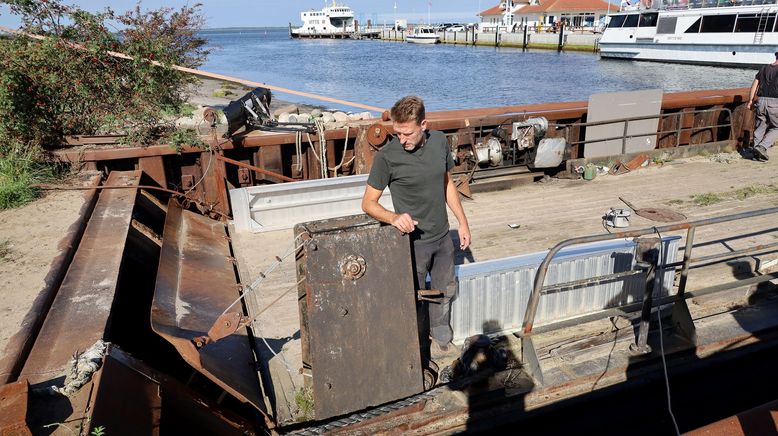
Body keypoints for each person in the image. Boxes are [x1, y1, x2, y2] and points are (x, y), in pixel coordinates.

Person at [361, 96, 471, 360]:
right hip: (413, 244)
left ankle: (442, 342)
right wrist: (393, 217)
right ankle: (418, 352)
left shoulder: (440, 142)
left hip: (443, 238)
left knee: (445, 292)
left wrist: (463, 223)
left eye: (407, 133)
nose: (402, 139)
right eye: (397, 133)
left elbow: (447, 184)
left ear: (424, 125)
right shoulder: (388, 157)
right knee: (414, 299)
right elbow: (368, 203)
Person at [747, 52, 778, 161]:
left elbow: (754, 85)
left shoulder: (764, 68)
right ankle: (762, 147)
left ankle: (756, 154)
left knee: (760, 126)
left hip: (761, 101)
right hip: (775, 103)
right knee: (777, 127)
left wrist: (750, 100)